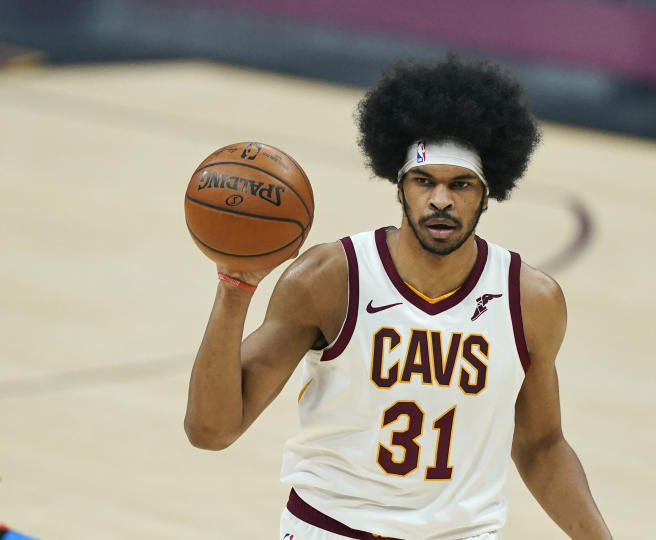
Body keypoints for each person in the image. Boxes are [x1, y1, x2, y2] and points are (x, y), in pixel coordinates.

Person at [184, 56, 613, 540]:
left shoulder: (530, 299)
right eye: (424, 181)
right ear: (400, 187)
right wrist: (235, 288)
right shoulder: (331, 278)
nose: (441, 200)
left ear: (488, 194)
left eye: (461, 184)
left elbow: (540, 446)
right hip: (332, 529)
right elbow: (211, 431)